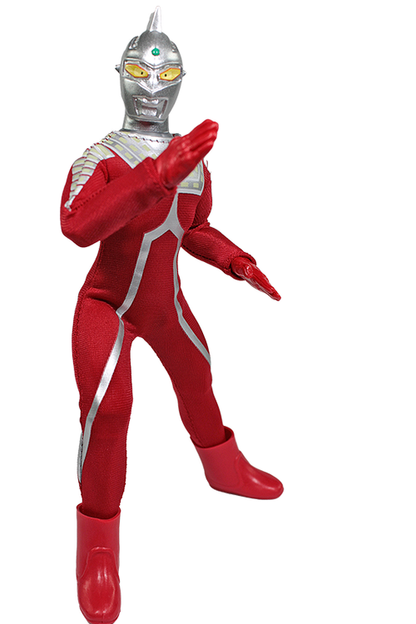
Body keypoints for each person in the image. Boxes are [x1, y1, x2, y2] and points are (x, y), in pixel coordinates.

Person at [61, 8, 283, 624]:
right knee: (109, 410)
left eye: (165, 74)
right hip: (105, 304)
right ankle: (98, 549)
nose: (152, 87)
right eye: (139, 72)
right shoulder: (100, 156)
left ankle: (224, 468)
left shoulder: (195, 161)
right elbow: (77, 226)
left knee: (198, 374)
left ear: (182, 79)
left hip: (164, 306)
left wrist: (236, 260)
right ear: (119, 75)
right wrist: (154, 175)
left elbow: (195, 228)